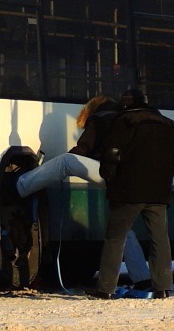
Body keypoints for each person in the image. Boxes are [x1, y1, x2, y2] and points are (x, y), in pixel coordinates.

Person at [14, 95, 151, 291]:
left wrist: (68, 157)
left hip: (116, 175)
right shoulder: (125, 119)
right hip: (136, 178)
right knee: (123, 227)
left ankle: (20, 186)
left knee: (65, 161)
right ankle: (143, 279)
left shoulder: (100, 117)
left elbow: (82, 150)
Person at [89, 89, 174, 300]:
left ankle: (105, 289)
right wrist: (164, 176)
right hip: (159, 192)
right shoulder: (168, 124)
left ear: (125, 105)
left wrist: (109, 176)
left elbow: (111, 153)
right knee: (160, 238)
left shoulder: (124, 121)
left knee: (116, 238)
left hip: (127, 191)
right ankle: (162, 288)